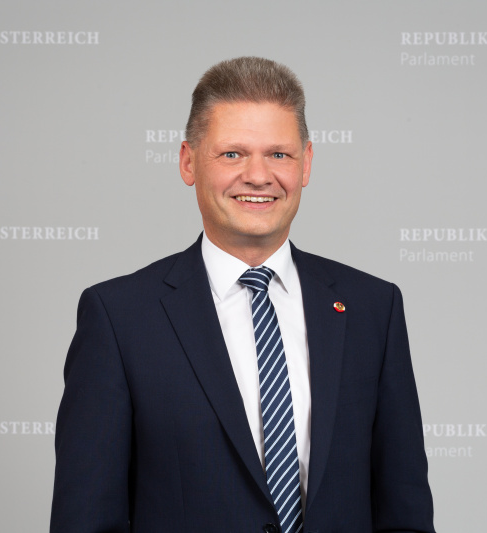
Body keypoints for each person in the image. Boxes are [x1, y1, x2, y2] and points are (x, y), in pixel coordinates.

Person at [50, 56, 435, 533]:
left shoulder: (373, 308)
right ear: (188, 162)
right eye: (232, 154)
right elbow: (86, 520)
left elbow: (405, 511)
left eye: (279, 155)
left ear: (306, 163)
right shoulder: (119, 318)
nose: (258, 175)